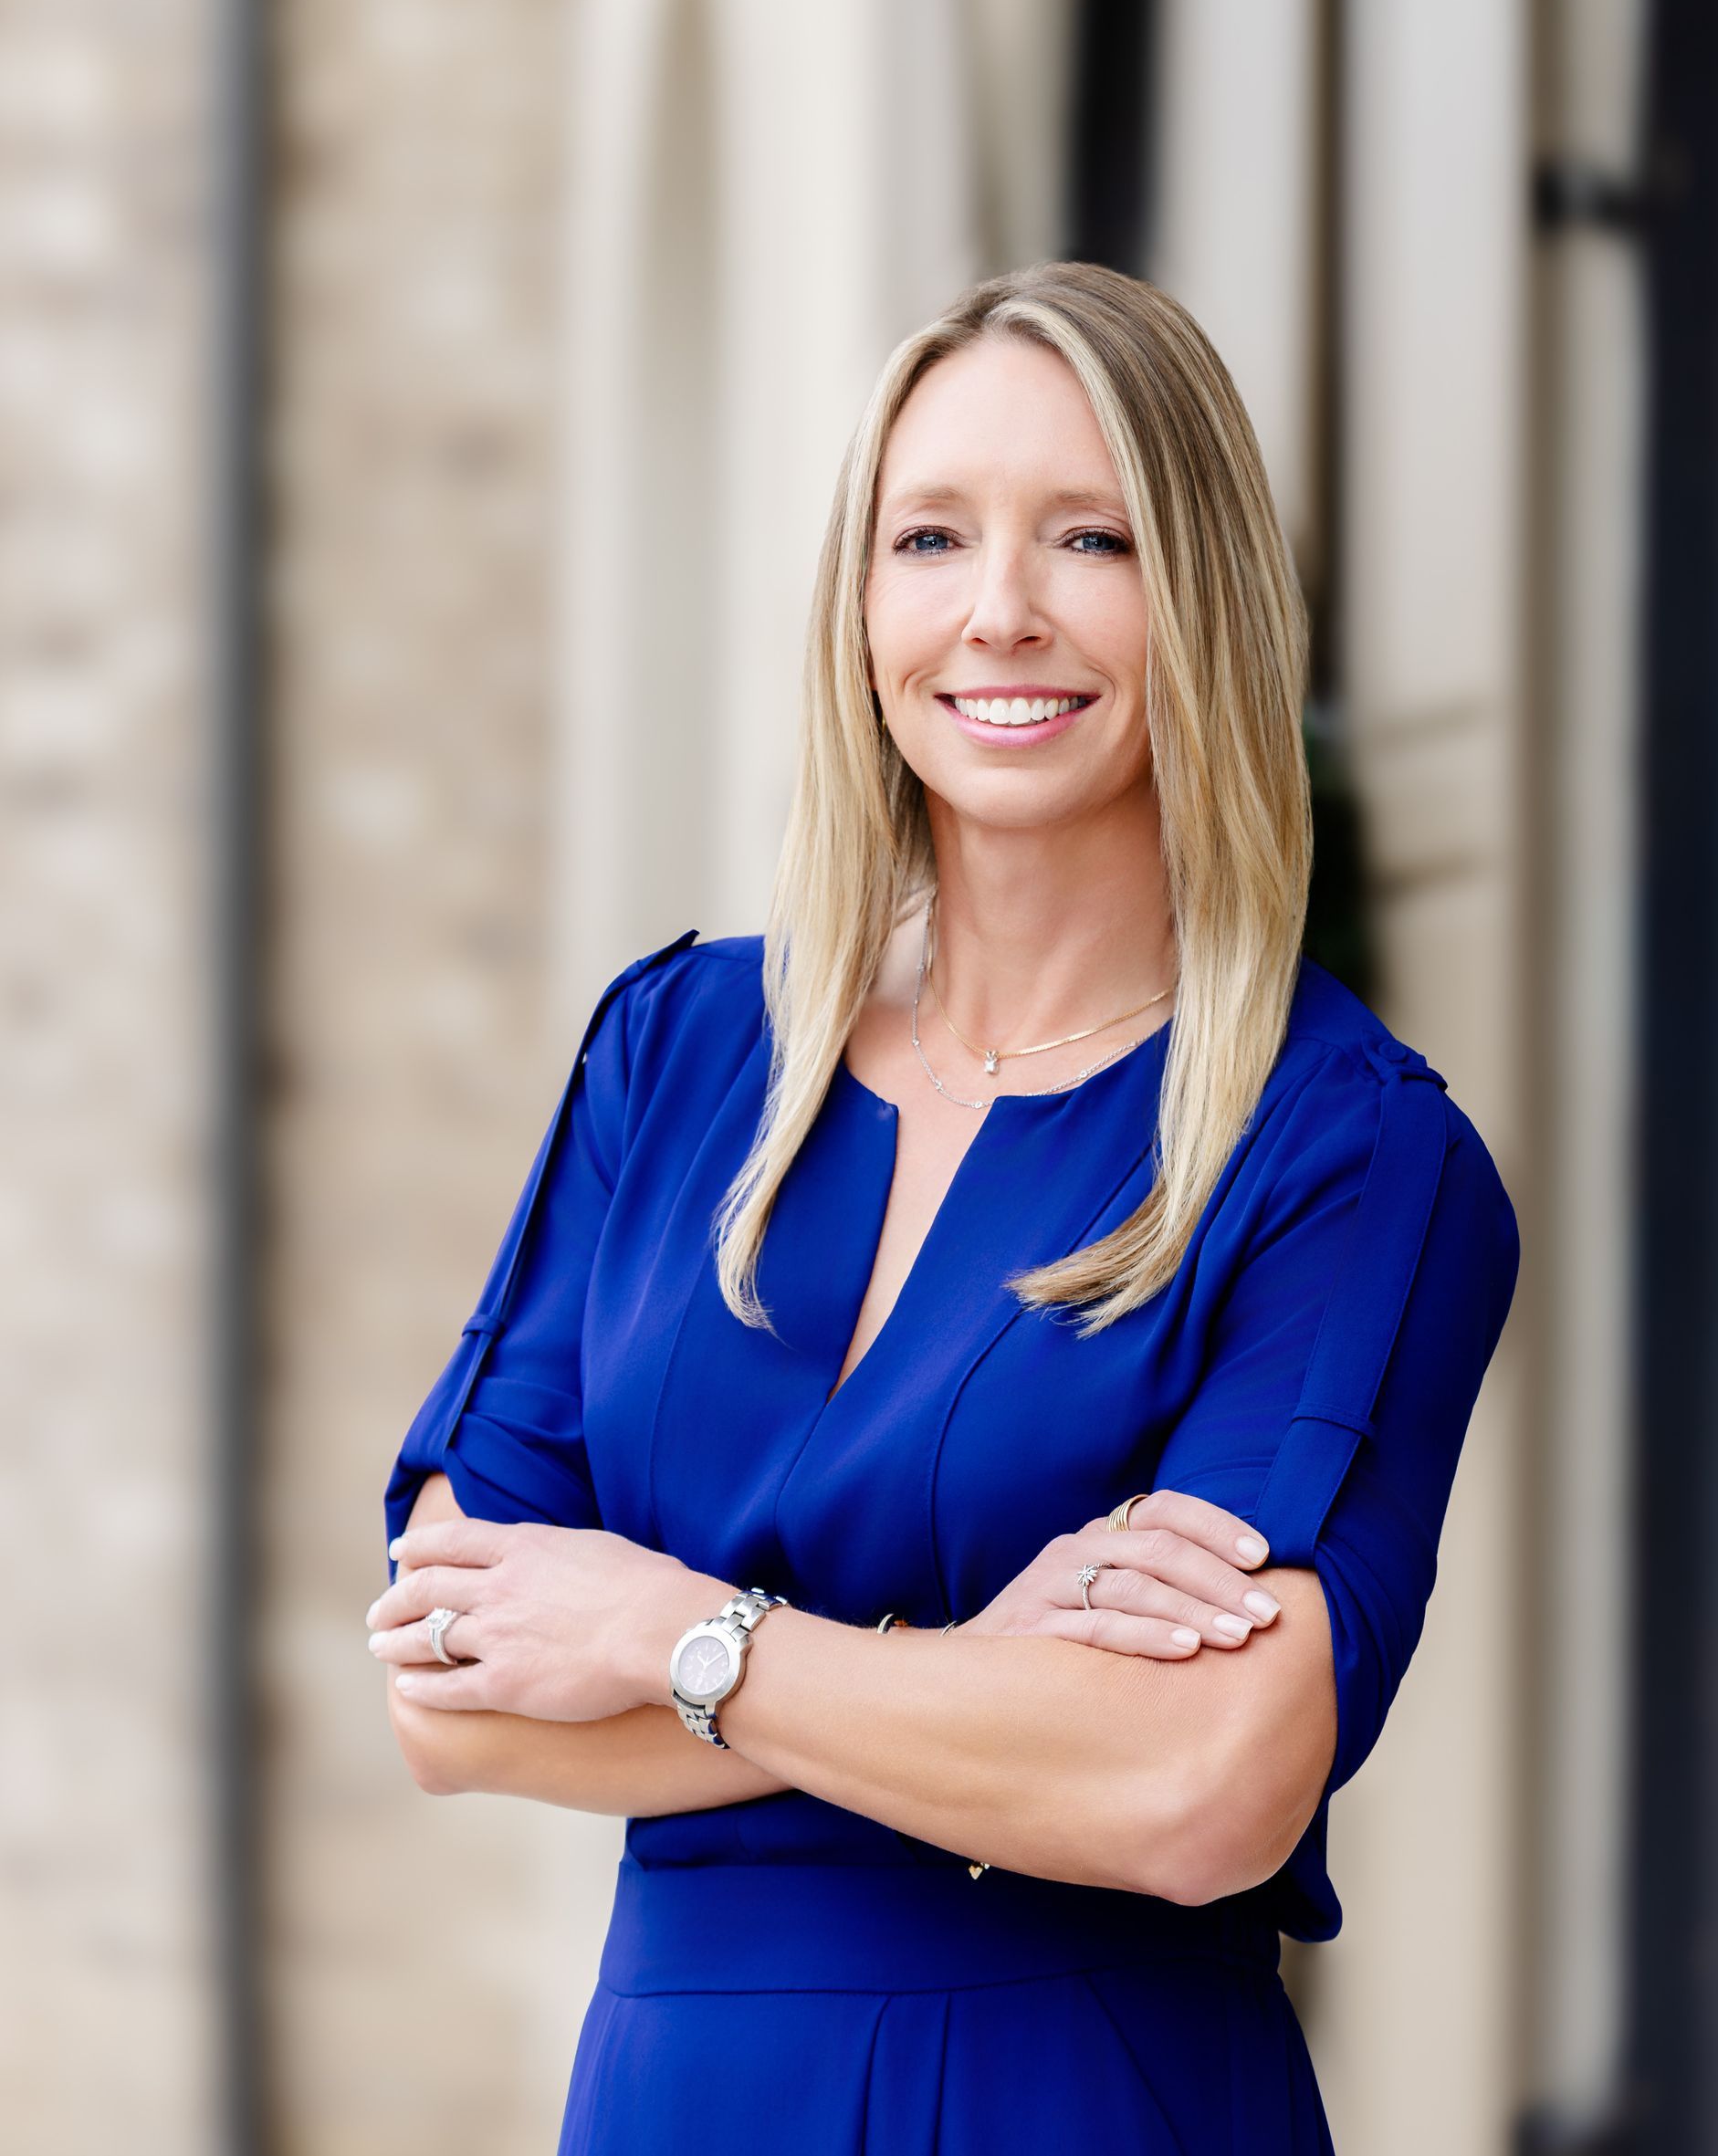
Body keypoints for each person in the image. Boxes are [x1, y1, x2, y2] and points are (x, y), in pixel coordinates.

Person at [366, 260, 1520, 2153]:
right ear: (860, 602)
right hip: (675, 2096)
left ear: (1205, 600)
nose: (1000, 611)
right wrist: (984, 1685)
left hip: (1075, 2093)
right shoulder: (675, 1054)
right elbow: (448, 1691)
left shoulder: (1346, 1154)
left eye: (1091, 537)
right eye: (930, 537)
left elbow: (1196, 1787)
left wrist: (675, 1634)